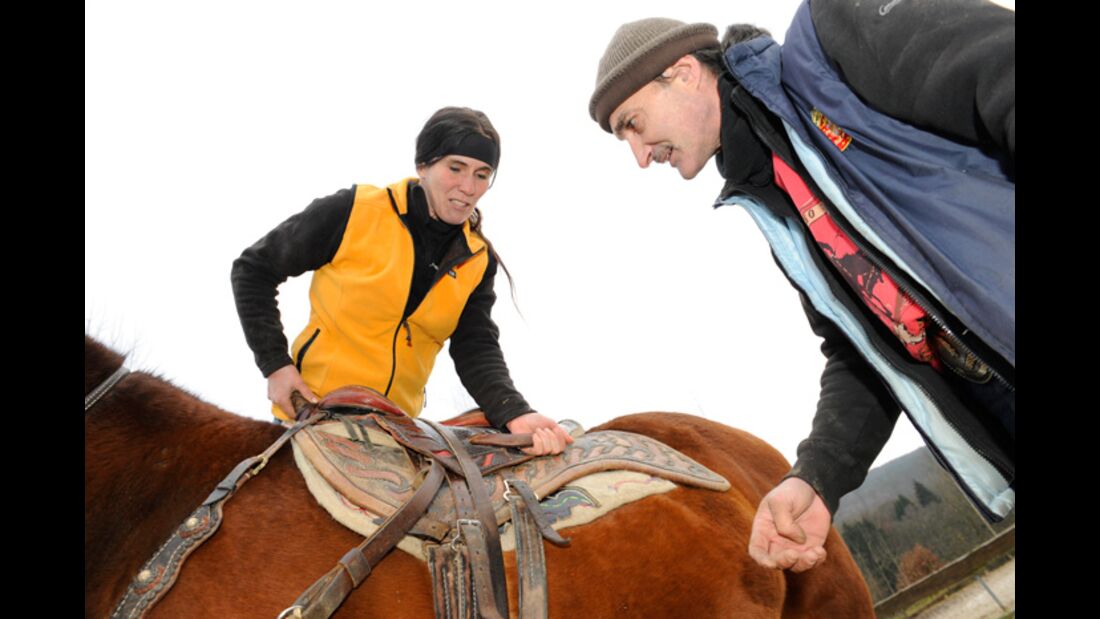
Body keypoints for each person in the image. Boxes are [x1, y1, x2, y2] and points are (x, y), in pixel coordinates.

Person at [587, 0, 1014, 572]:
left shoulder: (835, 37)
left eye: (632, 126)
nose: (639, 158)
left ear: (684, 73)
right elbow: (864, 353)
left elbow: (1001, 68)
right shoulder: (778, 197)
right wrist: (816, 478)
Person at [232, 106, 573, 456]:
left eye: (482, 174)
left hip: (395, 433)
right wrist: (276, 366)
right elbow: (253, 269)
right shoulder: (355, 211)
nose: (468, 187)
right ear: (423, 165)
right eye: (455, 168)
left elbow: (476, 347)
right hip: (313, 413)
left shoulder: (476, 259)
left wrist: (515, 412)